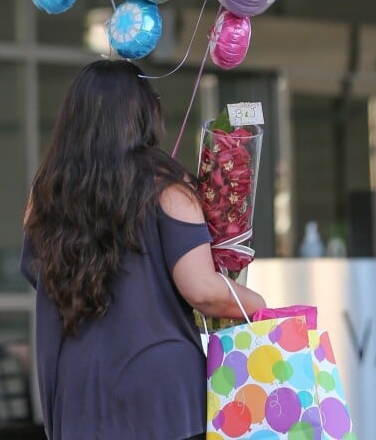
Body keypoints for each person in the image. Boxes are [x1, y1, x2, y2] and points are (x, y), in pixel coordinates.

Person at [20, 59, 266, 440]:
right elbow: (202, 290)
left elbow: (43, 278)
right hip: (158, 394)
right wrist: (257, 303)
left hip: (78, 391)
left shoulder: (47, 195)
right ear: (143, 114)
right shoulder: (166, 185)